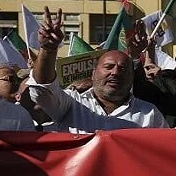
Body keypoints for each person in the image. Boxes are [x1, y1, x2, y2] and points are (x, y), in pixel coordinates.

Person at [28, 8, 168, 133]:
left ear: (132, 76)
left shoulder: (149, 114)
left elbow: (165, 151)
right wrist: (48, 50)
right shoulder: (71, 103)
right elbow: (42, 90)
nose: (115, 72)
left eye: (123, 69)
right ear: (93, 73)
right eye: (108, 67)